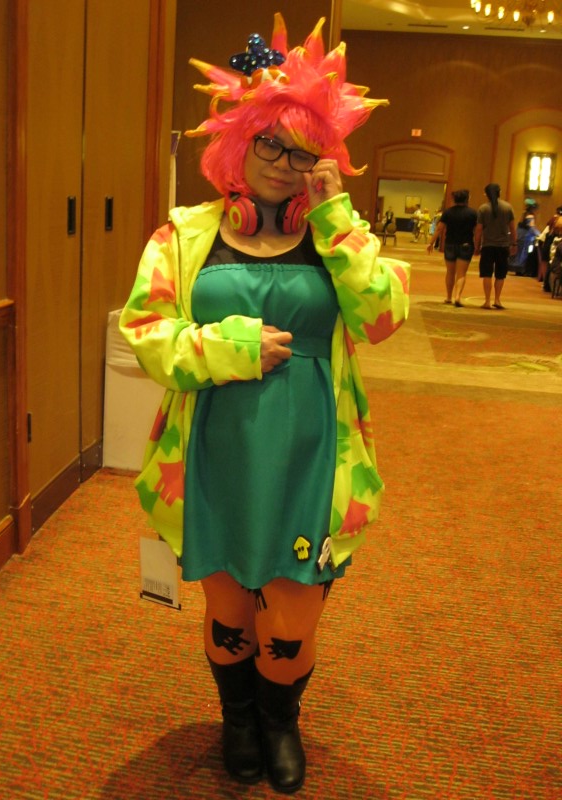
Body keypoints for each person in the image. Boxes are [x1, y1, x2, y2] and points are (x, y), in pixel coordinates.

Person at [119, 14, 410, 795]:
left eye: (303, 150)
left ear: (325, 158)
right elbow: (147, 333)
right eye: (270, 144)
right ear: (238, 143)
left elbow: (384, 319)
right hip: (213, 451)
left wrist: (337, 218)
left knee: (291, 614)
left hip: (312, 456)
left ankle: (281, 720)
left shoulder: (334, 233)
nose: (284, 164)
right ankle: (239, 719)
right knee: (228, 611)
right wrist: (231, 348)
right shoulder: (184, 235)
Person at [427, 189, 477, 306]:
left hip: (450, 244)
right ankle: (458, 297)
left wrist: (431, 243)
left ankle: (449, 297)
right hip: (466, 244)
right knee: (461, 273)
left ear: (454, 199)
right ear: (467, 199)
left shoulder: (448, 212)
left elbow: (439, 228)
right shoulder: (473, 213)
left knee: (450, 272)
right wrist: (478, 243)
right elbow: (477, 230)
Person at [474, 183, 516, 309]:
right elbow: (512, 228)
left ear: (486, 194)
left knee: (487, 274)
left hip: (487, 245)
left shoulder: (483, 209)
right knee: (500, 274)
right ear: (500, 192)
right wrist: (514, 243)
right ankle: (497, 299)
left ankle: (487, 300)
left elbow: (479, 230)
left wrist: (477, 246)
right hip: (503, 246)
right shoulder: (508, 207)